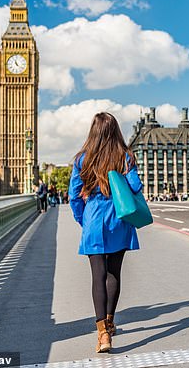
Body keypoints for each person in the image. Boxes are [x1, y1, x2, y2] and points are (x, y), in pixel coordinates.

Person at [68, 112, 143, 353]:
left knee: (97, 276)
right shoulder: (125, 156)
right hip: (119, 220)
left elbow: (73, 197)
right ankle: (110, 323)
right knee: (114, 274)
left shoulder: (82, 159)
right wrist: (126, 168)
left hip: (94, 220)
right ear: (116, 132)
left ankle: (102, 334)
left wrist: (84, 221)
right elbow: (135, 187)